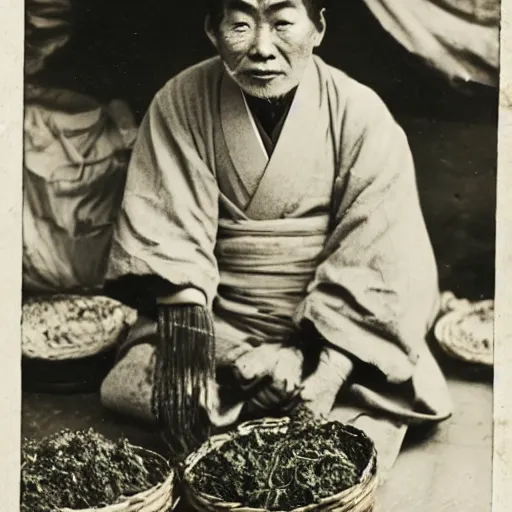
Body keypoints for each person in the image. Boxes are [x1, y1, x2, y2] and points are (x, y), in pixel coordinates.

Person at [101, 0, 452, 476]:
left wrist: (324, 376)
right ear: (212, 28)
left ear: (318, 27)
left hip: (334, 337)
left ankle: (307, 390)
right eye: (241, 25)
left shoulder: (359, 112)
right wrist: (238, 355)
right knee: (131, 387)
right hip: (213, 330)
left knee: (379, 395)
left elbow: (380, 254)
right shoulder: (180, 102)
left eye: (284, 23)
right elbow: (169, 243)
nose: (263, 48)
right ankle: (253, 388)